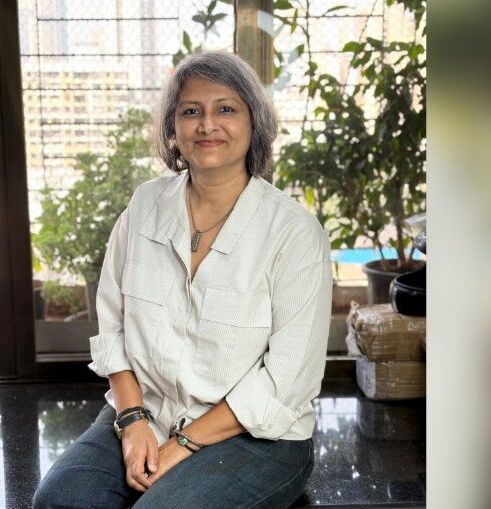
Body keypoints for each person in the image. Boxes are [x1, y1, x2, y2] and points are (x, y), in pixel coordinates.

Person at [33, 51, 333, 509]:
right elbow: (113, 326)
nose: (207, 124)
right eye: (191, 111)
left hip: (257, 435)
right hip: (147, 413)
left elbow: (287, 380)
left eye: (226, 109)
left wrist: (183, 444)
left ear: (254, 122)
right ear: (173, 129)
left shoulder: (294, 233)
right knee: (61, 502)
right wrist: (132, 420)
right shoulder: (144, 206)